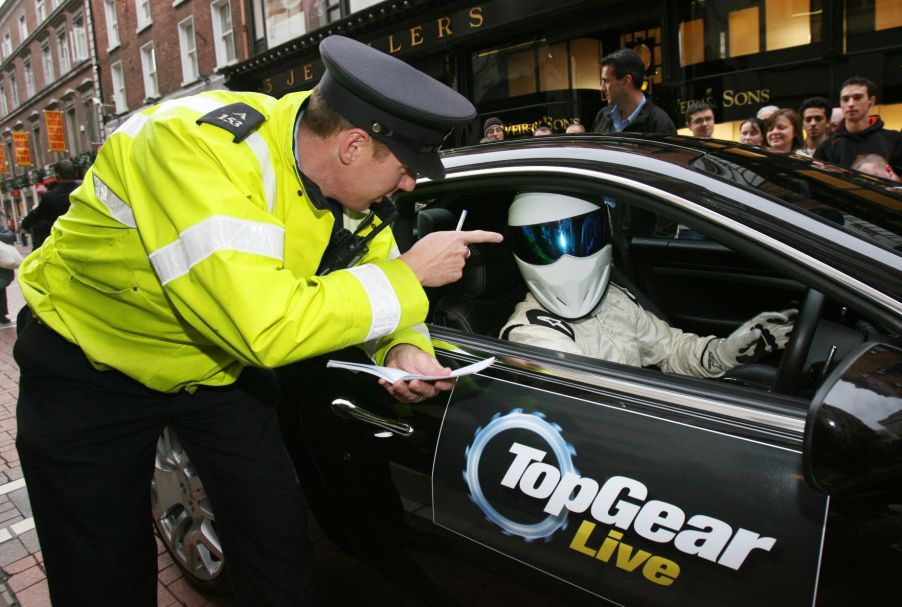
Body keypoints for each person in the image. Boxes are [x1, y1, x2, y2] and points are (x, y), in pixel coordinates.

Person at [14, 34, 503, 607]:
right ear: (351, 146)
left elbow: (373, 269)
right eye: (403, 169)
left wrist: (402, 349)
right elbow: (264, 327)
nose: (409, 185)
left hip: (216, 372)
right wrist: (411, 277)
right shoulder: (195, 148)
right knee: (102, 575)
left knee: (279, 547)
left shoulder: (346, 191)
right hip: (90, 368)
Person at [500, 193, 794, 377]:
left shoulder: (615, 297)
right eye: (543, 245)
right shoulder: (531, 334)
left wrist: (726, 352)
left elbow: (671, 350)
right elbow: (591, 398)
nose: (566, 260)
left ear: (605, 231)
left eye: (581, 236)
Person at [814, 76, 902, 174]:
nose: (850, 104)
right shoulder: (826, 148)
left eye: (857, 98)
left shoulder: (895, 139)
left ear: (871, 101)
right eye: (845, 99)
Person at [591, 48, 676, 135]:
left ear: (626, 80)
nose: (602, 88)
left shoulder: (659, 123)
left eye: (606, 81)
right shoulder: (602, 117)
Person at [21, 160, 80, 248]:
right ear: (76, 173)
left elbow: (35, 216)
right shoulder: (85, 191)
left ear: (57, 176)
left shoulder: (49, 197)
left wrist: (24, 224)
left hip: (61, 245)